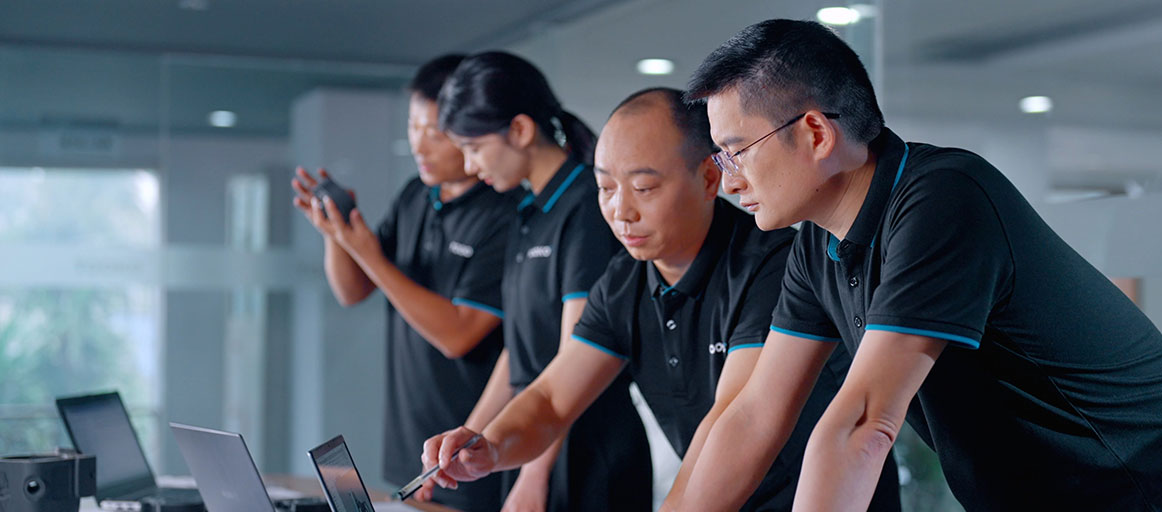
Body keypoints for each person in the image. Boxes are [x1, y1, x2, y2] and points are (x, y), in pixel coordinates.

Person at [670, 19, 1162, 511]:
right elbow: (755, 415)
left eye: (736, 152)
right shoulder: (818, 245)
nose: (730, 182)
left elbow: (863, 426)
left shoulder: (944, 199)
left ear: (816, 134)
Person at [417, 87, 902, 511]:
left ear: (709, 179)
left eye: (644, 188)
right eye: (605, 188)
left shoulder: (771, 265)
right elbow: (550, 399)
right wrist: (490, 447)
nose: (620, 211)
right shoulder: (623, 281)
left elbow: (735, 419)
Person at [417, 51, 653, 511]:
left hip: (586, 451)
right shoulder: (529, 212)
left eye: (474, 148)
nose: (470, 165)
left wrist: (533, 475)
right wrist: (463, 441)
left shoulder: (585, 206)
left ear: (521, 130)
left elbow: (571, 357)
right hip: (533, 444)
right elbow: (519, 353)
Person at [291, 54, 516, 512]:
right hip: (411, 441)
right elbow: (353, 291)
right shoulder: (416, 194)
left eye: (435, 132)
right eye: (414, 127)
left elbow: (458, 334)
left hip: (474, 448)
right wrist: (338, 236)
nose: (419, 145)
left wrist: (369, 254)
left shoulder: (504, 212)